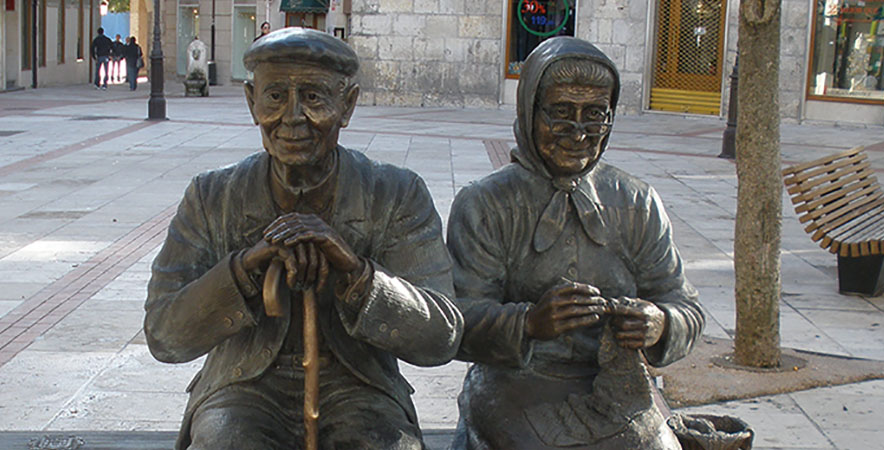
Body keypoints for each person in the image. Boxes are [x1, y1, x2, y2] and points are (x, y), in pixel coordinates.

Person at [144, 28, 463, 450]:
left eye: (313, 98)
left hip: (360, 386)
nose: (292, 117)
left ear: (347, 105)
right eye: (275, 96)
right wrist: (244, 270)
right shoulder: (212, 196)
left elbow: (441, 335)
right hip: (242, 388)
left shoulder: (396, 193)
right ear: (251, 102)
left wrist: (357, 275)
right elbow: (163, 334)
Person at [448, 36, 705, 449]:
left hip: (614, 388)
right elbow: (456, 321)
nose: (579, 133)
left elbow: (686, 306)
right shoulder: (484, 204)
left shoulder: (637, 201)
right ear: (530, 111)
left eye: (595, 115)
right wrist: (529, 323)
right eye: (562, 114)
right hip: (513, 384)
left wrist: (660, 323)